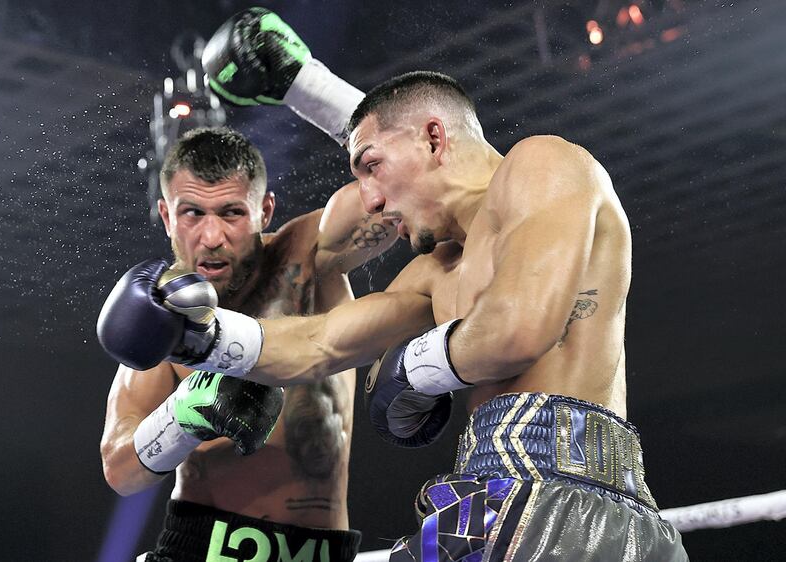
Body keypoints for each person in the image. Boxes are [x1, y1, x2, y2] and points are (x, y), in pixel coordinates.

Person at [99, 28, 689, 562]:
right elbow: (320, 343)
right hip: (483, 499)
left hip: (567, 496)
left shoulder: (542, 163)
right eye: (191, 214)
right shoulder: (435, 272)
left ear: (436, 139)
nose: (373, 202)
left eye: (373, 168)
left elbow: (518, 331)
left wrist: (413, 368)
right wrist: (200, 339)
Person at [99, 9, 407, 562]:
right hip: (203, 548)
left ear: (264, 210)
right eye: (192, 213)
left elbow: (408, 191)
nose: (212, 236)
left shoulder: (308, 256)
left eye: (232, 213)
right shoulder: (162, 317)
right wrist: (183, 418)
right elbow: (120, 468)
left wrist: (309, 87)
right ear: (167, 217)